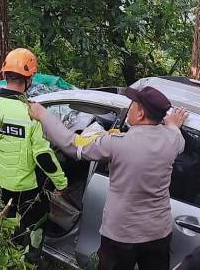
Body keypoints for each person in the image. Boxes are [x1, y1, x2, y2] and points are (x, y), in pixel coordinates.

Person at [28, 86, 188, 270]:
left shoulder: (116, 143)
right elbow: (175, 132)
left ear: (141, 114)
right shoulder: (172, 140)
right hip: (158, 233)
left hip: (121, 235)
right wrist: (173, 123)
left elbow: (73, 145)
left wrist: (43, 115)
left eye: (132, 105)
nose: (129, 108)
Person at [0, 48, 68, 261]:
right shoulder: (30, 112)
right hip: (27, 188)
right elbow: (43, 156)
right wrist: (61, 184)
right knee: (34, 226)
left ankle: (4, 257)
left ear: (5, 74)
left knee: (3, 221)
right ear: (29, 79)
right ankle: (30, 261)